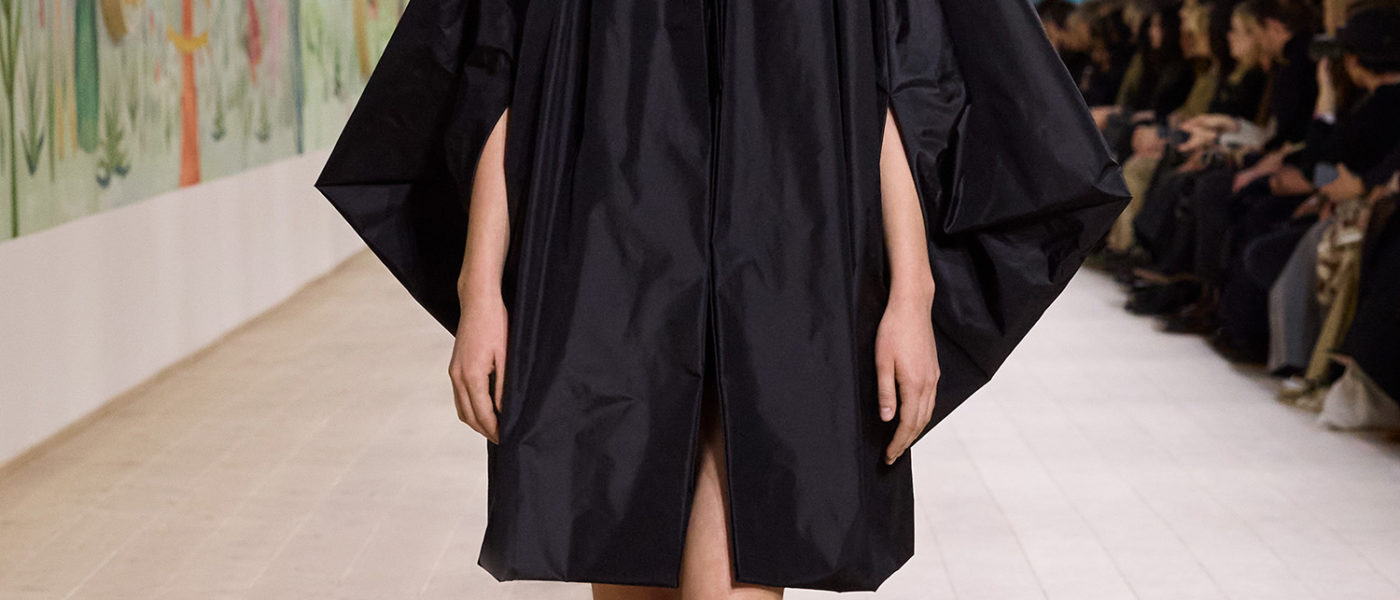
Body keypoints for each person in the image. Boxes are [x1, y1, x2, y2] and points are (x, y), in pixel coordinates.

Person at [315, 0, 1129, 597]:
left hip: (786, 268)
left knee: (739, 564)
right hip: (606, 265)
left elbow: (891, 89)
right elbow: (504, 80)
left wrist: (911, 294)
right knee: (623, 552)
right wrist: (480, 291)